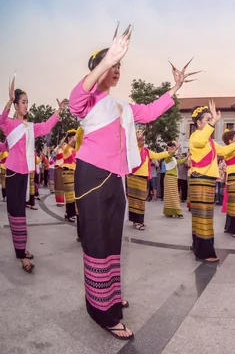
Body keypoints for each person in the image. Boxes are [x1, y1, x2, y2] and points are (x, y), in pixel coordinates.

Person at [69, 25, 192, 339]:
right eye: (113, 66)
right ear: (101, 69)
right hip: (92, 174)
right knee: (96, 240)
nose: (117, 71)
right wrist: (107, 59)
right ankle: (101, 311)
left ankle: (109, 296)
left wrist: (174, 88)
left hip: (115, 178)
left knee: (112, 239)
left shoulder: (122, 106)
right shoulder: (90, 101)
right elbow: (74, 100)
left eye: (119, 66)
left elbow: (150, 112)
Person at [0, 76, 66, 273]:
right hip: (12, 173)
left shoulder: (30, 127)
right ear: (16, 104)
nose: (26, 105)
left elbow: (46, 127)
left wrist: (59, 111)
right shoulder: (10, 124)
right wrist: (9, 101)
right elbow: (1, 120)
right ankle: (21, 256)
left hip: (24, 173)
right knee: (17, 214)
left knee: (21, 213)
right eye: (23, 102)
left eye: (27, 102)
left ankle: (21, 249)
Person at [189, 102, 235, 260]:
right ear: (199, 122)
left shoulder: (209, 142)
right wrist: (214, 122)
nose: (212, 122)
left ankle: (197, 245)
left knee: (201, 216)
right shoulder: (196, 136)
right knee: (203, 217)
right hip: (201, 179)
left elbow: (224, 151)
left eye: (212, 119)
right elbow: (200, 141)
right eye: (208, 119)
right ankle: (204, 252)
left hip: (205, 180)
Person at [128, 131, 174, 230]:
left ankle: (139, 220)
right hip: (134, 177)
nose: (143, 142)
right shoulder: (134, 149)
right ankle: (137, 222)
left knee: (141, 201)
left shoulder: (146, 151)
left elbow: (157, 156)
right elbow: (131, 145)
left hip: (143, 178)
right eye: (141, 140)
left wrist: (168, 152)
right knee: (135, 201)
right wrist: (135, 138)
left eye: (144, 140)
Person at [163, 141, 187, 218]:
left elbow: (179, 162)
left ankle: (169, 211)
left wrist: (187, 157)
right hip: (169, 177)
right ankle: (178, 212)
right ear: (168, 148)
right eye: (171, 147)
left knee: (172, 195)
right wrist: (176, 148)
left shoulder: (173, 158)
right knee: (174, 195)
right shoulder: (167, 156)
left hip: (173, 177)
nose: (172, 148)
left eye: (173, 147)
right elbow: (171, 154)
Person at [62, 129, 78, 224]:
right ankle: (71, 214)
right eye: (73, 138)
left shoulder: (74, 149)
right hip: (68, 173)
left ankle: (68, 212)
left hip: (74, 173)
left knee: (72, 195)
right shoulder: (66, 147)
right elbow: (67, 147)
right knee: (70, 195)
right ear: (69, 138)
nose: (74, 140)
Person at [54, 143, 65, 207]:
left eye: (64, 144)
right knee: (58, 185)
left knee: (60, 185)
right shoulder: (59, 150)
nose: (63, 145)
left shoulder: (65, 151)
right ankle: (58, 201)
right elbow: (54, 151)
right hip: (58, 168)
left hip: (61, 169)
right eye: (62, 144)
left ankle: (61, 201)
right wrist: (58, 145)